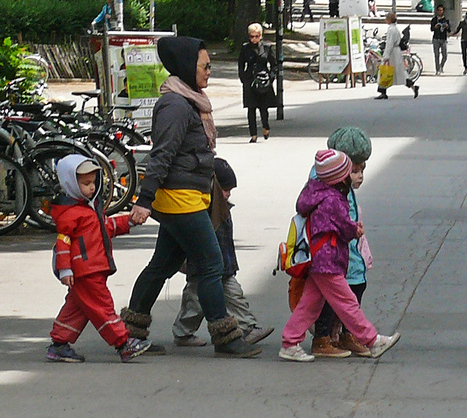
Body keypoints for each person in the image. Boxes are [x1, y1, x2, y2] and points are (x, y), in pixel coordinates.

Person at [122, 36, 261, 357]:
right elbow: (161, 155)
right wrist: (144, 200)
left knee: (162, 264)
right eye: (205, 66)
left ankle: (131, 332)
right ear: (187, 67)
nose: (210, 71)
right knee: (212, 264)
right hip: (178, 199)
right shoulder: (175, 105)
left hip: (187, 196)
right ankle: (225, 337)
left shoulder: (189, 100)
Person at [279, 149, 399, 361]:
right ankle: (372, 341)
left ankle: (290, 342)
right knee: (347, 303)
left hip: (318, 259)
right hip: (328, 261)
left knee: (309, 305)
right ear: (339, 177)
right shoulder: (333, 200)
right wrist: (355, 230)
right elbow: (344, 227)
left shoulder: (316, 193)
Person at [47, 155, 151, 363]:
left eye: (93, 182)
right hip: (86, 269)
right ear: (71, 183)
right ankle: (123, 343)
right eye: (85, 184)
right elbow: (63, 243)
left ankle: (59, 343)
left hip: (91, 267)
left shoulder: (88, 209)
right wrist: (65, 269)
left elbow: (106, 227)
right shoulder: (71, 213)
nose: (91, 188)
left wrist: (128, 222)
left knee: (77, 308)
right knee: (102, 306)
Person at [171, 159, 274, 349]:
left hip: (224, 266)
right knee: (194, 302)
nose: (227, 194)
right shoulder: (201, 210)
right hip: (202, 267)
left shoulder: (223, 209)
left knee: (235, 297)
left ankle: (248, 327)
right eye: (225, 189)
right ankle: (183, 332)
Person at [311, 127, 375, 358]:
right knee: (334, 296)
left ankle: (343, 334)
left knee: (353, 289)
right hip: (334, 250)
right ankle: (325, 337)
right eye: (355, 169)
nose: (359, 175)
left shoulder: (334, 182)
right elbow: (337, 219)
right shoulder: (329, 186)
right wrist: (352, 230)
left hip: (346, 249)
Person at [238, 22, 279, 143]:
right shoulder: (245, 48)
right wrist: (243, 78)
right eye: (251, 36)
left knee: (263, 108)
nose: (254, 39)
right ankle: (253, 134)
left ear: (261, 35)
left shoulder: (267, 47)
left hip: (263, 80)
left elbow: (274, 65)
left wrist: (271, 78)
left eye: (256, 36)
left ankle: (266, 127)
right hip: (250, 80)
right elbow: (241, 64)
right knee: (251, 108)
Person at [377, 12, 416, 99]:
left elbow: (389, 44)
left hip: (392, 54)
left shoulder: (391, 30)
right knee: (400, 72)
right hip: (396, 52)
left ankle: (383, 91)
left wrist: (386, 56)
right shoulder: (395, 28)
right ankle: (412, 86)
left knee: (385, 72)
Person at [430, 6, 453, 75]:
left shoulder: (446, 20)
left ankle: (441, 65)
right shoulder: (434, 19)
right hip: (436, 38)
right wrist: (435, 27)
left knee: (445, 55)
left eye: (441, 10)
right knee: (436, 55)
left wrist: (447, 27)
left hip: (443, 39)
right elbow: (431, 29)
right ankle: (437, 70)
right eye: (439, 10)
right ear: (437, 11)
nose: (440, 12)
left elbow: (449, 30)